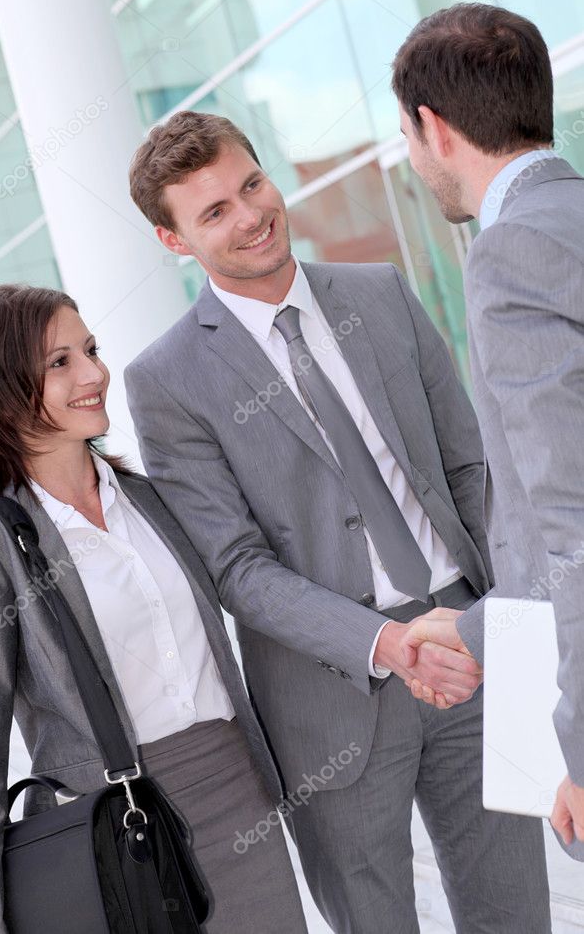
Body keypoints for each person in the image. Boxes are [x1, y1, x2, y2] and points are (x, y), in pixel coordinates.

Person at [123, 110, 551, 933]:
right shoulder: (167, 380)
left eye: (251, 184)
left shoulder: (379, 292)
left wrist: (504, 621)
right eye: (213, 211)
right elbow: (236, 568)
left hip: (473, 643)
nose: (250, 215)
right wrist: (386, 642)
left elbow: (471, 468)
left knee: (517, 914)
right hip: (329, 700)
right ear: (173, 239)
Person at [0, 283, 307, 934]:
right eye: (60, 362)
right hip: (118, 832)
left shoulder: (150, 498)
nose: (94, 373)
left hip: (237, 792)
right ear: (0, 390)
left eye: (91, 349)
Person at [393, 1, 584, 853]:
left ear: (434, 127)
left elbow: (571, 528)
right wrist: (474, 628)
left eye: (403, 134)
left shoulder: (510, 257)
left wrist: (577, 750)